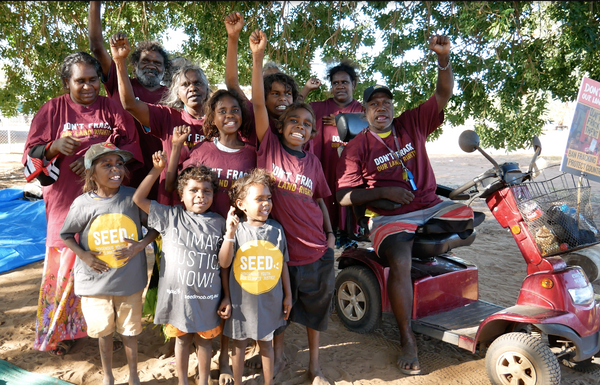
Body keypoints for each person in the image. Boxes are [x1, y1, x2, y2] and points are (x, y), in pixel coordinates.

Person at [336, 36, 474, 376]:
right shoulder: (356, 147)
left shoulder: (411, 124)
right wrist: (383, 191)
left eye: (386, 103)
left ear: (393, 108)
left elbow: (443, 95)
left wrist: (444, 58)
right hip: (389, 217)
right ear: (364, 112)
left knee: (471, 217)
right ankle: (407, 338)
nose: (381, 108)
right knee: (399, 262)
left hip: (430, 205)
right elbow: (343, 196)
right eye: (373, 104)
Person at [23, 51, 142, 356]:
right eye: (80, 81)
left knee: (104, 264)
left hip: (105, 207)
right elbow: (29, 159)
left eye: (94, 80)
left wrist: (98, 155)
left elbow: (131, 145)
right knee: (65, 270)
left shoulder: (111, 108)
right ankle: (60, 332)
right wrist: (53, 148)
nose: (89, 86)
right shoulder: (51, 110)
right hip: (66, 204)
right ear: (66, 82)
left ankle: (104, 329)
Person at [251, 29, 335, 385]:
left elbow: (319, 200)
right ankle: (280, 358)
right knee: (279, 312)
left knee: (315, 314)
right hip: (279, 253)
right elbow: (257, 103)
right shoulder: (268, 146)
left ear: (312, 132)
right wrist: (257, 56)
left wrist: (330, 236)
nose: (299, 126)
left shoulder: (313, 162)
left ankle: (315, 366)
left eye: (306, 124)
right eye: (293, 122)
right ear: (280, 127)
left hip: (316, 250)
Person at [164, 90, 256, 384]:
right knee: (204, 298)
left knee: (231, 300)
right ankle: (187, 351)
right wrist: (176, 149)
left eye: (235, 110)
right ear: (211, 118)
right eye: (222, 110)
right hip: (200, 243)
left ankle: (225, 362)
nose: (229, 115)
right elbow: (172, 187)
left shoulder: (252, 153)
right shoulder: (201, 150)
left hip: (235, 237)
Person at [60, 143, 158, 385]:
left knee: (130, 332)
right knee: (103, 332)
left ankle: (134, 376)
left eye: (119, 164)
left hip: (129, 282)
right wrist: (84, 255)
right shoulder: (83, 204)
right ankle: (108, 376)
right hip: (95, 284)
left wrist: (139, 245)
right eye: (107, 165)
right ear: (91, 173)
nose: (116, 169)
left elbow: (155, 227)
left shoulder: (132, 197)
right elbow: (66, 235)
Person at [133, 153, 231, 385]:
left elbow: (224, 265)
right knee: (182, 340)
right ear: (181, 194)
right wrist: (156, 170)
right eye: (194, 190)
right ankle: (183, 381)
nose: (200, 195)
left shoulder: (219, 222)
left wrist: (227, 295)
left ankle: (204, 379)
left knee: (205, 342)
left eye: (206, 191)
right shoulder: (170, 216)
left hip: (208, 297)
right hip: (178, 300)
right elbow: (138, 198)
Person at [110, 33, 210, 206]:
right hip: (171, 208)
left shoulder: (217, 121)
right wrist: (119, 61)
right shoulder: (168, 116)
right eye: (185, 85)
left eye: (198, 83)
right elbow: (130, 104)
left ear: (207, 89)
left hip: (207, 209)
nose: (192, 88)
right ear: (176, 92)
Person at [89, 0, 170, 198]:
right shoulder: (121, 81)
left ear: (165, 69)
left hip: (163, 175)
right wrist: (95, 4)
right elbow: (97, 47)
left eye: (157, 63)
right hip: (122, 174)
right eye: (146, 61)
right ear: (134, 65)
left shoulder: (173, 94)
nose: (151, 65)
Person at [218, 169, 292, 385]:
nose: (266, 203)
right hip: (242, 303)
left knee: (266, 345)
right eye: (259, 199)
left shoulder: (277, 230)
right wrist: (230, 234)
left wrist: (287, 296)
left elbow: (283, 265)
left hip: (270, 302)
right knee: (239, 345)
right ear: (241, 204)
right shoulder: (237, 230)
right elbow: (224, 264)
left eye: (268, 198)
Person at [304, 61, 364, 241]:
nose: (339, 86)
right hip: (324, 168)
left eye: (344, 82)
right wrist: (306, 89)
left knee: (349, 206)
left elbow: (374, 129)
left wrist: (342, 121)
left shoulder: (362, 110)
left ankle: (351, 235)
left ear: (353, 84)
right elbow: (292, 107)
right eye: (335, 83)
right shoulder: (319, 108)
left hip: (350, 172)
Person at [224, 12, 301, 145]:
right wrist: (232, 36)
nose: (282, 98)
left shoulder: (300, 124)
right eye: (274, 92)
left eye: (287, 92)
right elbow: (232, 83)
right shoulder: (252, 112)